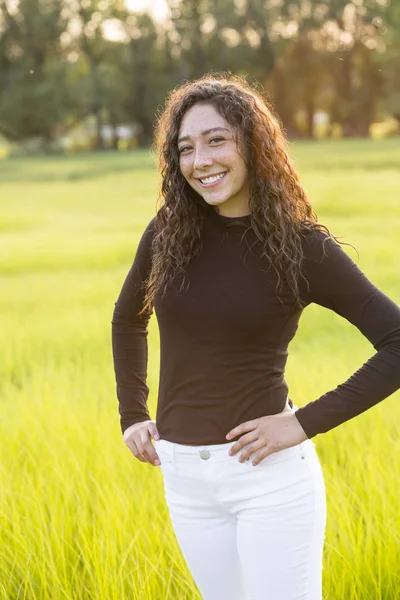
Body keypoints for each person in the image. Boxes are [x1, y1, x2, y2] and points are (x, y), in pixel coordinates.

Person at [111, 74, 400, 600]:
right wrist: (133, 413)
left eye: (217, 140)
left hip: (268, 481)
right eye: (186, 147)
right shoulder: (167, 233)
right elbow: (128, 319)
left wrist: (302, 423)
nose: (201, 161)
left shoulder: (300, 247)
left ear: (253, 143)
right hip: (184, 478)